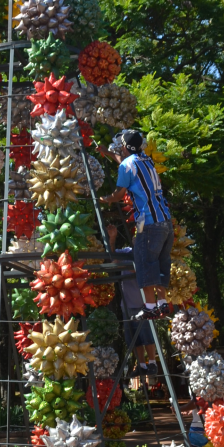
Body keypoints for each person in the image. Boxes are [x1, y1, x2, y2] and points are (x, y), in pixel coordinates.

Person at [100, 130, 173, 319]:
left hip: (149, 224)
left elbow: (118, 194)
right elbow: (124, 162)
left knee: (144, 263)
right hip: (165, 222)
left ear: (124, 147)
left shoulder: (127, 165)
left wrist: (105, 199)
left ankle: (149, 307)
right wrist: (108, 154)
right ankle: (162, 304)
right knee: (160, 263)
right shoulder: (145, 160)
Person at [106, 223, 159, 378]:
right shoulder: (127, 252)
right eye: (136, 236)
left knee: (147, 336)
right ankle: (141, 365)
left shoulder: (149, 254)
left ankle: (153, 364)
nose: (136, 237)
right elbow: (113, 260)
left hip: (145, 304)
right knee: (132, 338)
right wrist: (112, 239)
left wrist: (131, 264)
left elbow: (137, 269)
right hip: (127, 305)